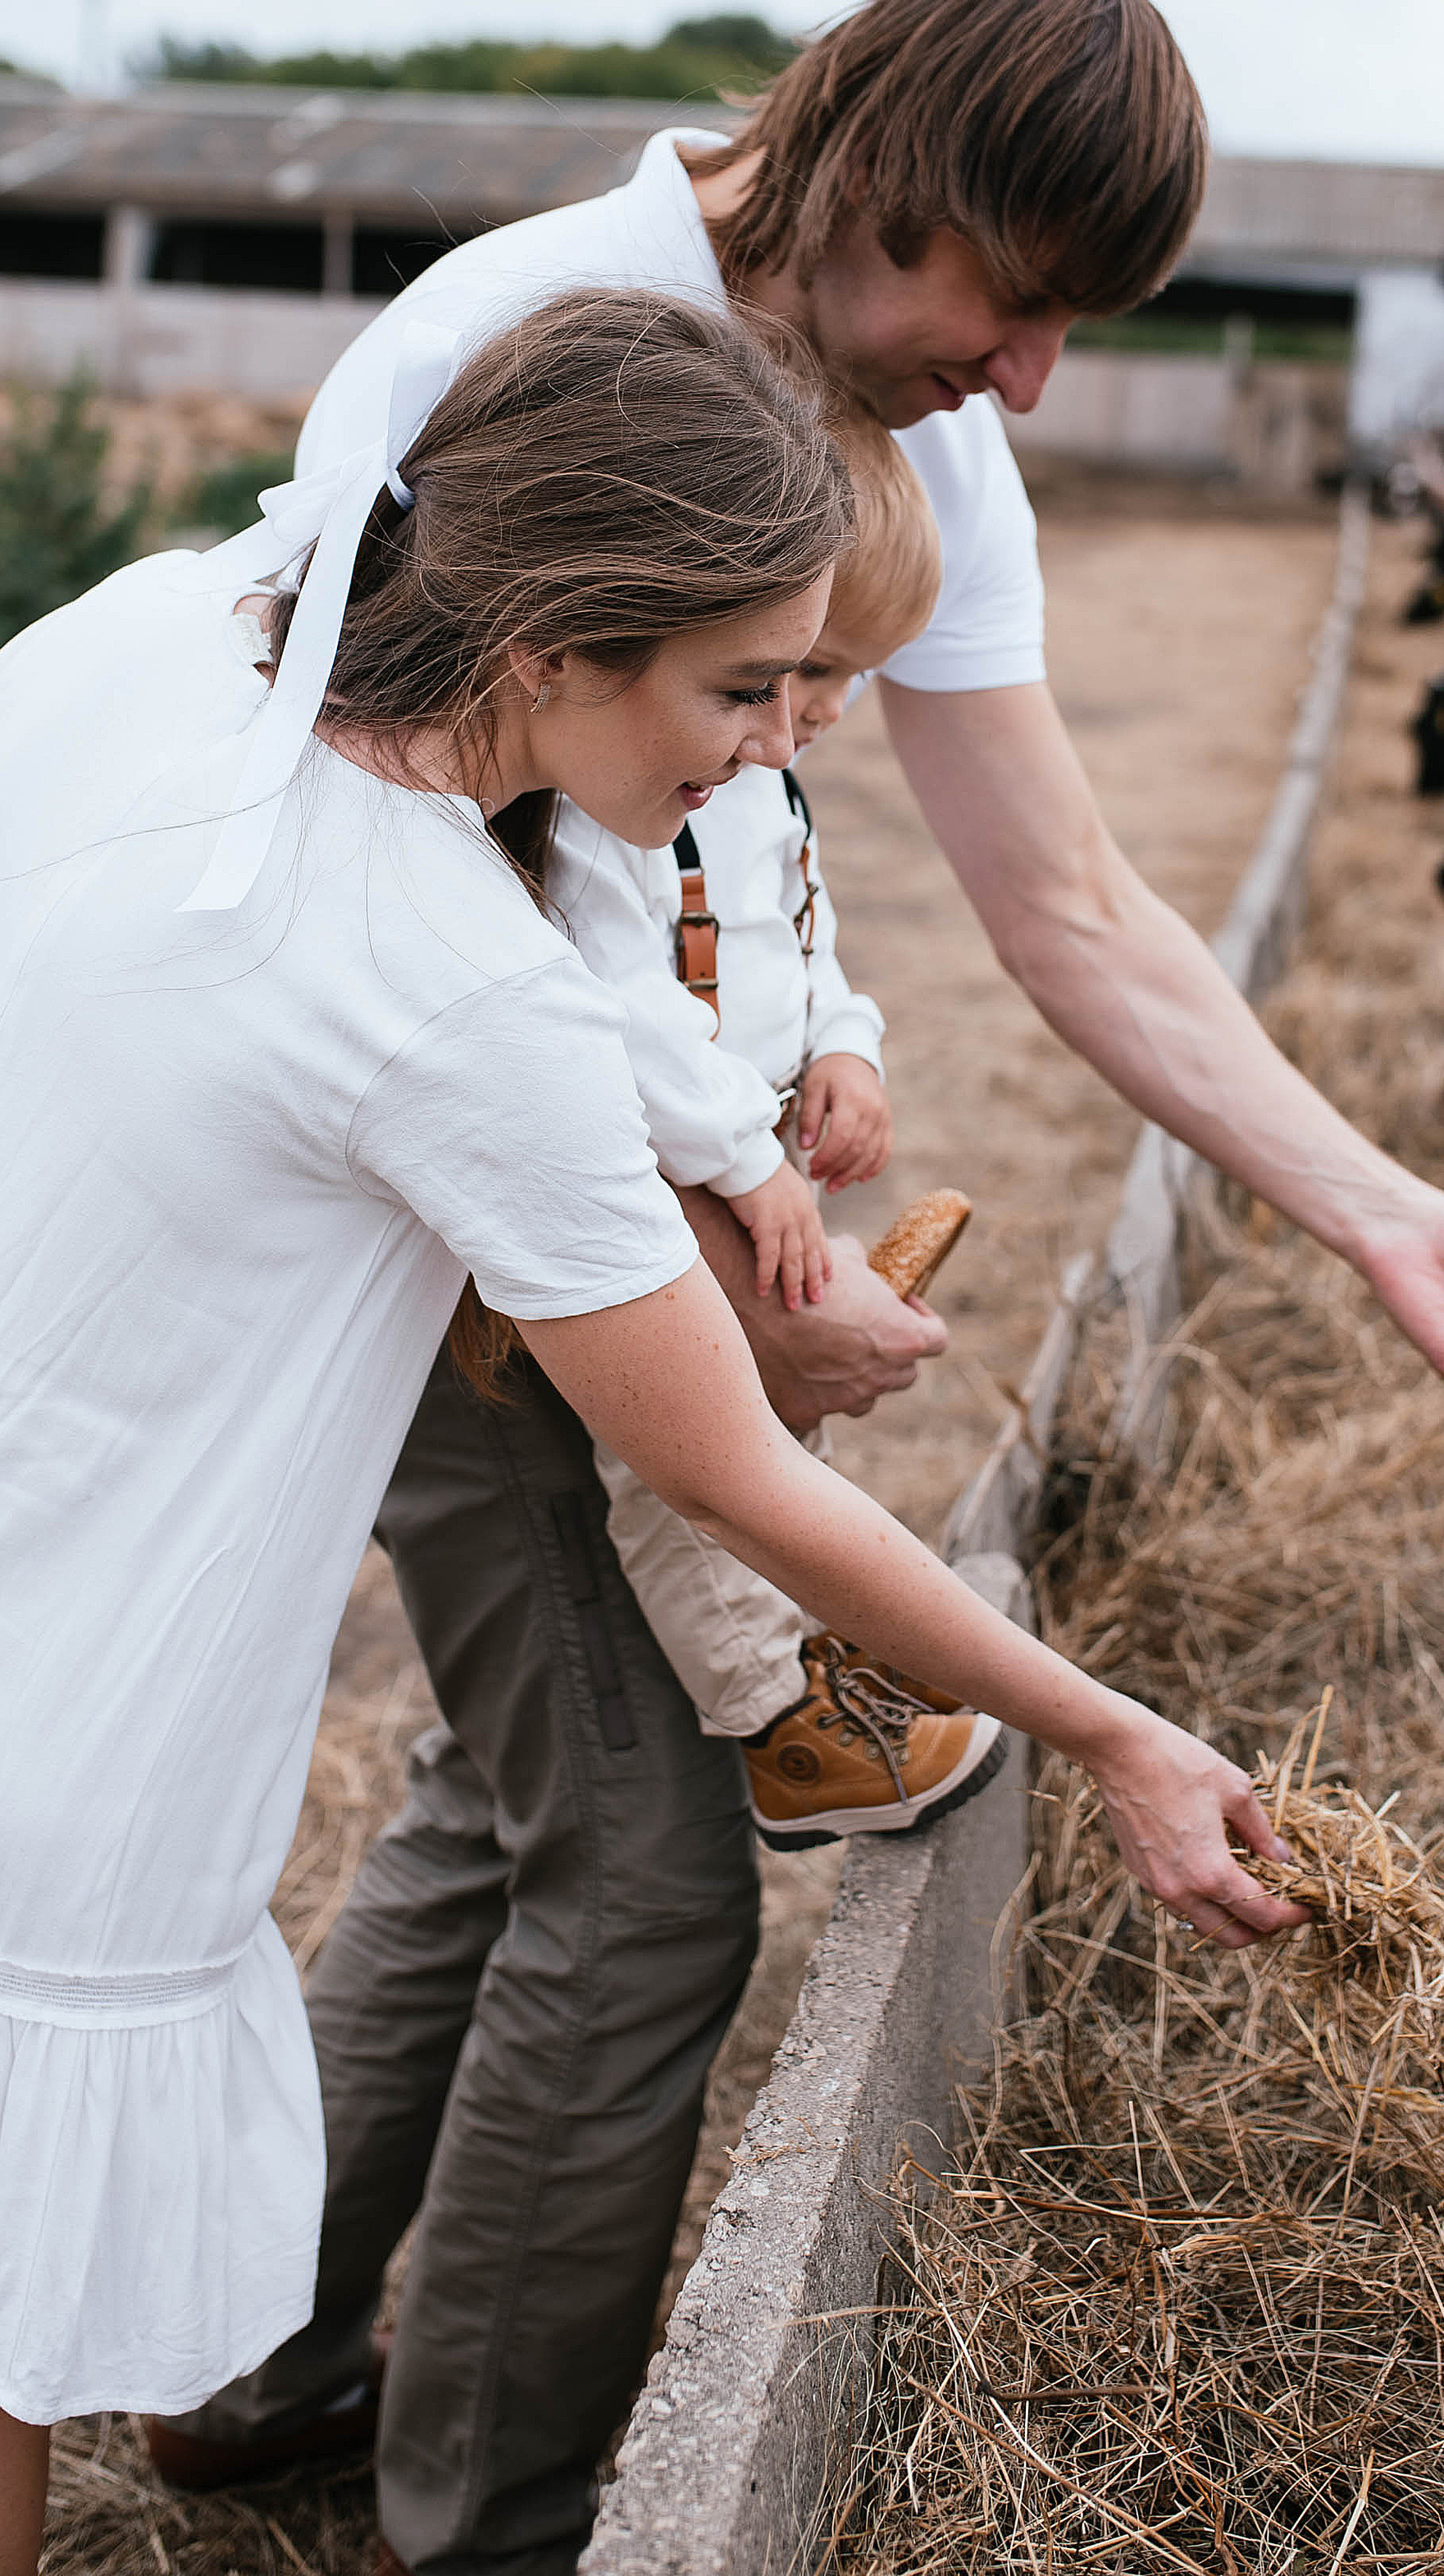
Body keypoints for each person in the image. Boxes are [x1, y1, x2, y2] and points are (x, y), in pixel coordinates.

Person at [155, 0, 1444, 2576]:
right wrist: (709, 1195)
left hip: (622, 1226)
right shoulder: (512, 341)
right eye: (1015, 300)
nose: (1035, 377)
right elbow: (385, 841)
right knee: (642, 1870)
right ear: (873, 169)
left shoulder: (912, 449)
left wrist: (1380, 1207)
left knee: (515, 1791)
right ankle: (480, 2517)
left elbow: (1057, 892)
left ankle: (252, 2355)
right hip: (438, 1231)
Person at [0, 287, 1307, 2576]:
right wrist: (1111, 1734)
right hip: (67, 1713)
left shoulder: (149, 624)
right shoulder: (467, 995)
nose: (772, 749)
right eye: (735, 689)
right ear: (566, 640)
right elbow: (733, 1473)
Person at [553, 415, 995, 1848]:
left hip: (758, 1173)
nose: (821, 711)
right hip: (655, 1186)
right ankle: (777, 1719)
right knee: (678, 1466)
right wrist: (744, 1164)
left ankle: (832, 1653)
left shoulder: (768, 790)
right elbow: (612, 999)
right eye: (799, 672)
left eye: (848, 674)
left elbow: (804, 946)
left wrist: (846, 1046)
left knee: (782, 1431)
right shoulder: (624, 802)